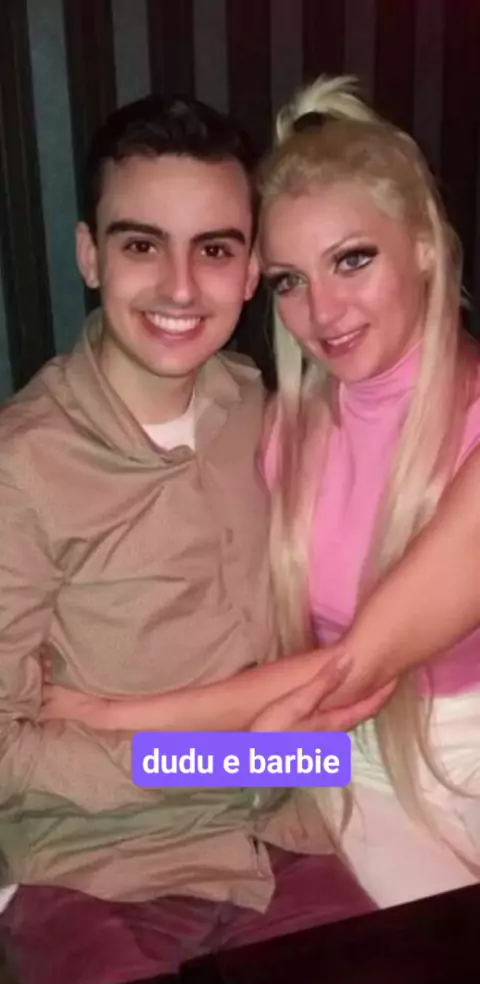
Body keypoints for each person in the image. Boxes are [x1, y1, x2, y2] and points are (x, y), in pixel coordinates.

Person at [41, 77, 480, 912]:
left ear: (425, 245)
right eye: (288, 280)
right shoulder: (281, 431)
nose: (323, 310)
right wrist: (156, 744)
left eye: (353, 259)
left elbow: (354, 666)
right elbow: (289, 720)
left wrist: (106, 714)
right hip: (345, 759)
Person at [0, 93, 377, 984]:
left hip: (285, 836)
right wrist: (227, 755)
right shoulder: (21, 469)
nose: (179, 288)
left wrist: (262, 755)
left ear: (249, 271)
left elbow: (325, 726)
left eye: (213, 250)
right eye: (142, 245)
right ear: (90, 255)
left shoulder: (260, 407)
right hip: (97, 869)